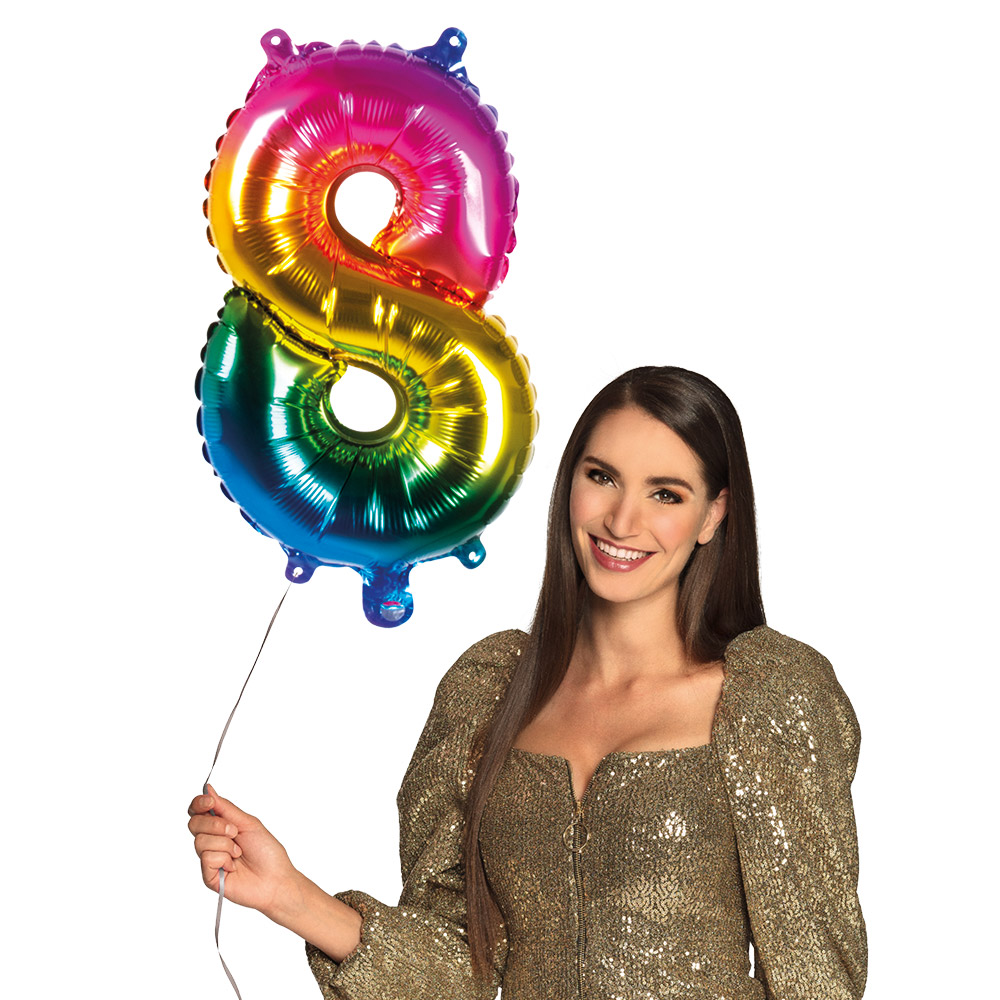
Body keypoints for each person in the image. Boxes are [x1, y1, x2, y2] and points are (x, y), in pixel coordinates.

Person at [188, 366, 867, 999]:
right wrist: (288, 895)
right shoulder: (489, 691)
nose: (621, 521)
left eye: (666, 494)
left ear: (714, 515)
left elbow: (815, 981)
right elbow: (460, 966)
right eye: (602, 477)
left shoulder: (767, 698)